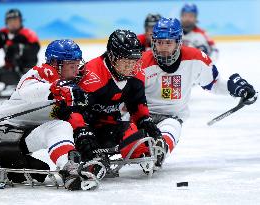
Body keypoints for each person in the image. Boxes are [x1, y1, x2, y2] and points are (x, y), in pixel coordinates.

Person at [0, 39, 105, 191]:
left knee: (60, 126)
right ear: (57, 64)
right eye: (72, 66)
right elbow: (28, 92)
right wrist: (56, 88)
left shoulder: (71, 87)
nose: (76, 71)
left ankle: (69, 168)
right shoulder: (38, 73)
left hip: (20, 137)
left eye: (78, 65)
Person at [141, 17, 257, 165]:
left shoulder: (196, 59)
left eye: (168, 42)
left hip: (171, 117)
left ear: (178, 42)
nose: (162, 47)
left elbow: (214, 83)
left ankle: (159, 152)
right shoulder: (141, 62)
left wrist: (237, 88)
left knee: (172, 127)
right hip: (141, 115)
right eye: (159, 42)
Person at [76, 29, 165, 173]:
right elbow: (74, 112)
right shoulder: (91, 75)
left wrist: (148, 124)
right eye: (125, 61)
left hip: (111, 126)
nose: (130, 67)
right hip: (86, 128)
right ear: (111, 56)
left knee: (135, 135)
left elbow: (137, 105)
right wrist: (83, 136)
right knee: (92, 163)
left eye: (134, 61)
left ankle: (141, 152)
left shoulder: (137, 74)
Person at [0, 9, 40, 98]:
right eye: (10, 21)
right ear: (6, 22)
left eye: (15, 20)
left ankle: (20, 86)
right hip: (8, 70)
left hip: (25, 73)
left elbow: (33, 52)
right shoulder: (3, 34)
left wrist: (18, 48)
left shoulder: (28, 34)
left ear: (21, 21)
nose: (13, 23)